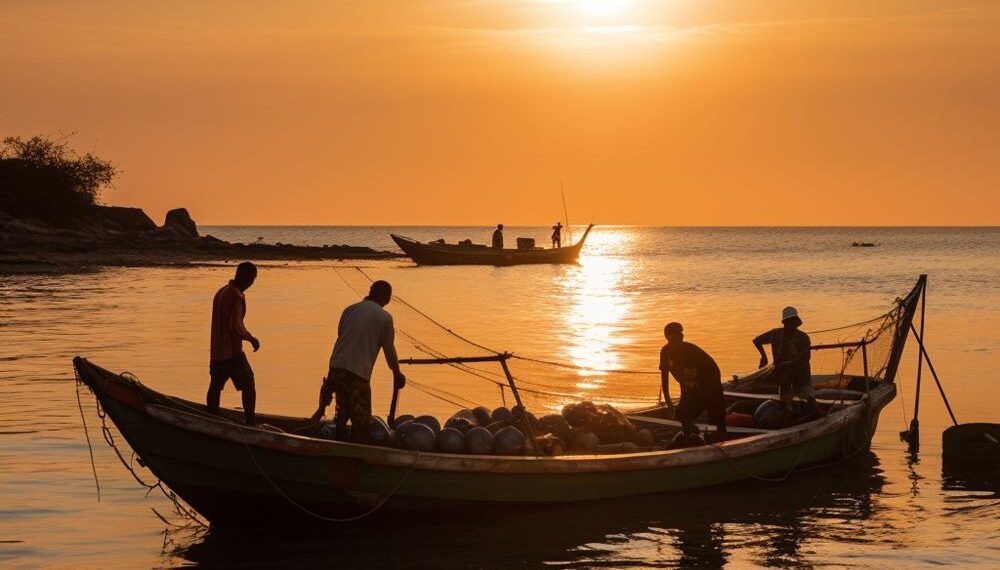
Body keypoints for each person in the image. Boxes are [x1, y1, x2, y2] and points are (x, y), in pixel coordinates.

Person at [311, 280, 406, 442]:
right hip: (357, 374)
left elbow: (341, 337)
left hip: (336, 368)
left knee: (342, 415)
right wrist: (397, 373)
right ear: (385, 297)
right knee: (361, 421)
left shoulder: (349, 310)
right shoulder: (384, 318)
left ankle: (339, 444)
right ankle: (355, 449)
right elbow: (389, 349)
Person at [207, 262, 261, 426]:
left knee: (216, 386)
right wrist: (251, 339)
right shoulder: (236, 296)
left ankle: (210, 418)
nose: (252, 283)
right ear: (247, 278)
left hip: (216, 352)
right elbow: (235, 326)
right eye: (252, 279)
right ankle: (251, 423)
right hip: (231, 353)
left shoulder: (221, 291)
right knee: (248, 384)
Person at [659, 322, 726, 440]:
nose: (677, 342)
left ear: (682, 337)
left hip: (710, 381)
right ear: (667, 338)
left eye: (680, 337)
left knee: (716, 418)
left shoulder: (691, 354)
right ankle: (688, 437)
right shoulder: (665, 352)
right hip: (691, 384)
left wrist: (699, 400)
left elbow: (691, 385)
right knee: (680, 416)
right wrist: (670, 405)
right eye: (673, 339)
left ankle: (718, 436)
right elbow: (665, 380)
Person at [753, 306, 817, 414]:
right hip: (783, 377)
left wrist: (789, 364)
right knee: (785, 397)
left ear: (796, 323)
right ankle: (789, 409)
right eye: (788, 322)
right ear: (784, 323)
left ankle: (812, 412)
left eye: (792, 322)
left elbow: (805, 359)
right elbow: (757, 341)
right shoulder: (776, 334)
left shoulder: (803, 338)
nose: (790, 325)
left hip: (801, 376)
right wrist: (764, 356)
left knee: (809, 397)